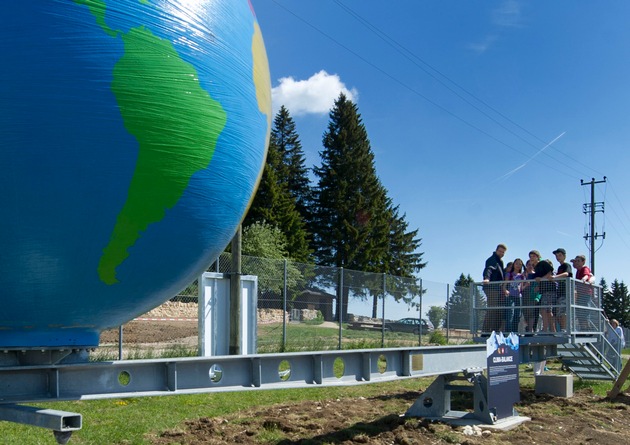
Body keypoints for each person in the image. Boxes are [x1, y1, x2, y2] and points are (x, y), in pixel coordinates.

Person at [481, 243, 508, 334]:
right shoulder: (492, 260)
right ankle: (485, 331)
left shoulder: (500, 261)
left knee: (498, 310)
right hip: (491, 288)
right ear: (496, 250)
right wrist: (486, 278)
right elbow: (489, 269)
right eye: (500, 251)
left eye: (503, 252)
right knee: (492, 308)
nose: (501, 253)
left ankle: (495, 330)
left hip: (498, 289)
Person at [571, 254, 595, 331]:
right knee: (579, 313)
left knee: (584, 312)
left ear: (583, 262)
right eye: (576, 261)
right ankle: (583, 328)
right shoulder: (578, 271)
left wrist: (583, 279)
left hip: (585, 294)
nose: (576, 263)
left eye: (578, 261)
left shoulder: (585, 268)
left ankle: (587, 329)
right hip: (580, 294)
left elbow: (586, 275)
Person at [552, 248, 573, 332]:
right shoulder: (559, 267)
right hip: (559, 293)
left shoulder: (566, 265)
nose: (558, 257)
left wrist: (555, 277)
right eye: (556, 256)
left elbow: (567, 274)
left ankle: (564, 329)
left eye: (560, 255)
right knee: (559, 311)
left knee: (563, 311)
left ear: (564, 256)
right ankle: (561, 328)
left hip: (566, 292)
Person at [535, 258, 557, 333]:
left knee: (546, 310)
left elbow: (548, 277)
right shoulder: (542, 273)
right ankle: (548, 329)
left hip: (550, 293)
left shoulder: (551, 273)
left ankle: (547, 329)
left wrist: (540, 279)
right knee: (545, 311)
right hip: (544, 293)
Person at [504, 258, 525, 333]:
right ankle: (508, 331)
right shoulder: (509, 274)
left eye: (520, 264)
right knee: (510, 313)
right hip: (511, 296)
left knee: (517, 314)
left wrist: (526, 285)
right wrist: (505, 290)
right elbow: (505, 285)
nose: (518, 265)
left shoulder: (522, 276)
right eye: (516, 263)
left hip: (518, 297)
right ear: (514, 265)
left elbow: (522, 287)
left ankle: (515, 331)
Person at [521, 255, 540, 333]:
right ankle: (528, 327)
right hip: (524, 294)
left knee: (531, 311)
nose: (530, 266)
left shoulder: (536, 274)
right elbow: (520, 286)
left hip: (532, 295)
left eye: (531, 265)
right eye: (528, 265)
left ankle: (531, 329)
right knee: (525, 312)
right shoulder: (523, 275)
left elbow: (539, 285)